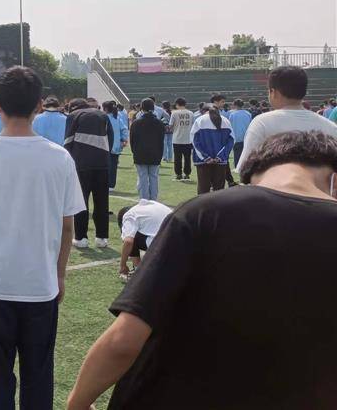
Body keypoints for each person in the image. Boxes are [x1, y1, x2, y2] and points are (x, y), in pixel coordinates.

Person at [67, 131, 337, 410]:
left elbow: (125, 339)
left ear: (253, 173)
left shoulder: (205, 213)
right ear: (334, 180)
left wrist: (78, 402)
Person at [0, 67, 84, 410]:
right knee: (39, 373)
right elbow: (67, 225)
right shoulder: (60, 158)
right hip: (40, 283)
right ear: (40, 105)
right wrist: (60, 274)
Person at [236, 66, 337, 174]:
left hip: (272, 189)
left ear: (273, 92)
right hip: (318, 190)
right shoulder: (330, 127)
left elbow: (246, 169)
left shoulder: (262, 123)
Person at [65, 98, 114, 248]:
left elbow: (68, 141)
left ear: (73, 108)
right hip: (102, 164)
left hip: (81, 165)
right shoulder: (102, 115)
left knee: (81, 202)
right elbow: (111, 139)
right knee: (102, 201)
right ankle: (102, 238)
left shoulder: (73, 116)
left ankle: (81, 238)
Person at [115, 200, 172, 281]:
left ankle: (138, 270)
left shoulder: (129, 215)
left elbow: (128, 241)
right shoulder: (152, 204)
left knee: (131, 236)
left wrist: (122, 265)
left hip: (164, 246)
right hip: (183, 240)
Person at [191, 104, 234, 194]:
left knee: (203, 190)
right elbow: (231, 140)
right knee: (219, 191)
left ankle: (203, 208)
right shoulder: (226, 121)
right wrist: (220, 157)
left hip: (203, 161)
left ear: (203, 111)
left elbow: (194, 141)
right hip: (221, 161)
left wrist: (206, 157)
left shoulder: (200, 120)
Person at [129, 99, 165, 200]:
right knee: (154, 177)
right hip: (155, 153)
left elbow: (132, 140)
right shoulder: (159, 123)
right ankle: (154, 200)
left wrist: (134, 151)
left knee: (142, 177)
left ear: (142, 108)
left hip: (140, 153)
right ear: (153, 108)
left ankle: (144, 199)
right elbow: (161, 140)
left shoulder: (136, 123)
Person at [103, 101, 129, 191]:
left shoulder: (104, 118)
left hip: (106, 145)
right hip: (116, 146)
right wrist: (124, 139)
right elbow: (124, 129)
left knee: (105, 166)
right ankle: (111, 185)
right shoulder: (117, 118)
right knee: (113, 166)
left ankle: (106, 184)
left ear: (105, 109)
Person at [170, 98, 195, 181]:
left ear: (177, 104)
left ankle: (179, 174)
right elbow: (193, 125)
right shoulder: (191, 113)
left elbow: (171, 125)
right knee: (187, 158)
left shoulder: (174, 113)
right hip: (188, 139)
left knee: (177, 158)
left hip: (177, 139)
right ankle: (187, 174)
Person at [228, 99, 253, 164]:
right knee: (246, 155)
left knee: (237, 155)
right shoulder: (248, 114)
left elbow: (230, 126)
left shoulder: (232, 114)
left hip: (236, 138)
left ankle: (237, 168)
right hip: (246, 137)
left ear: (235, 105)